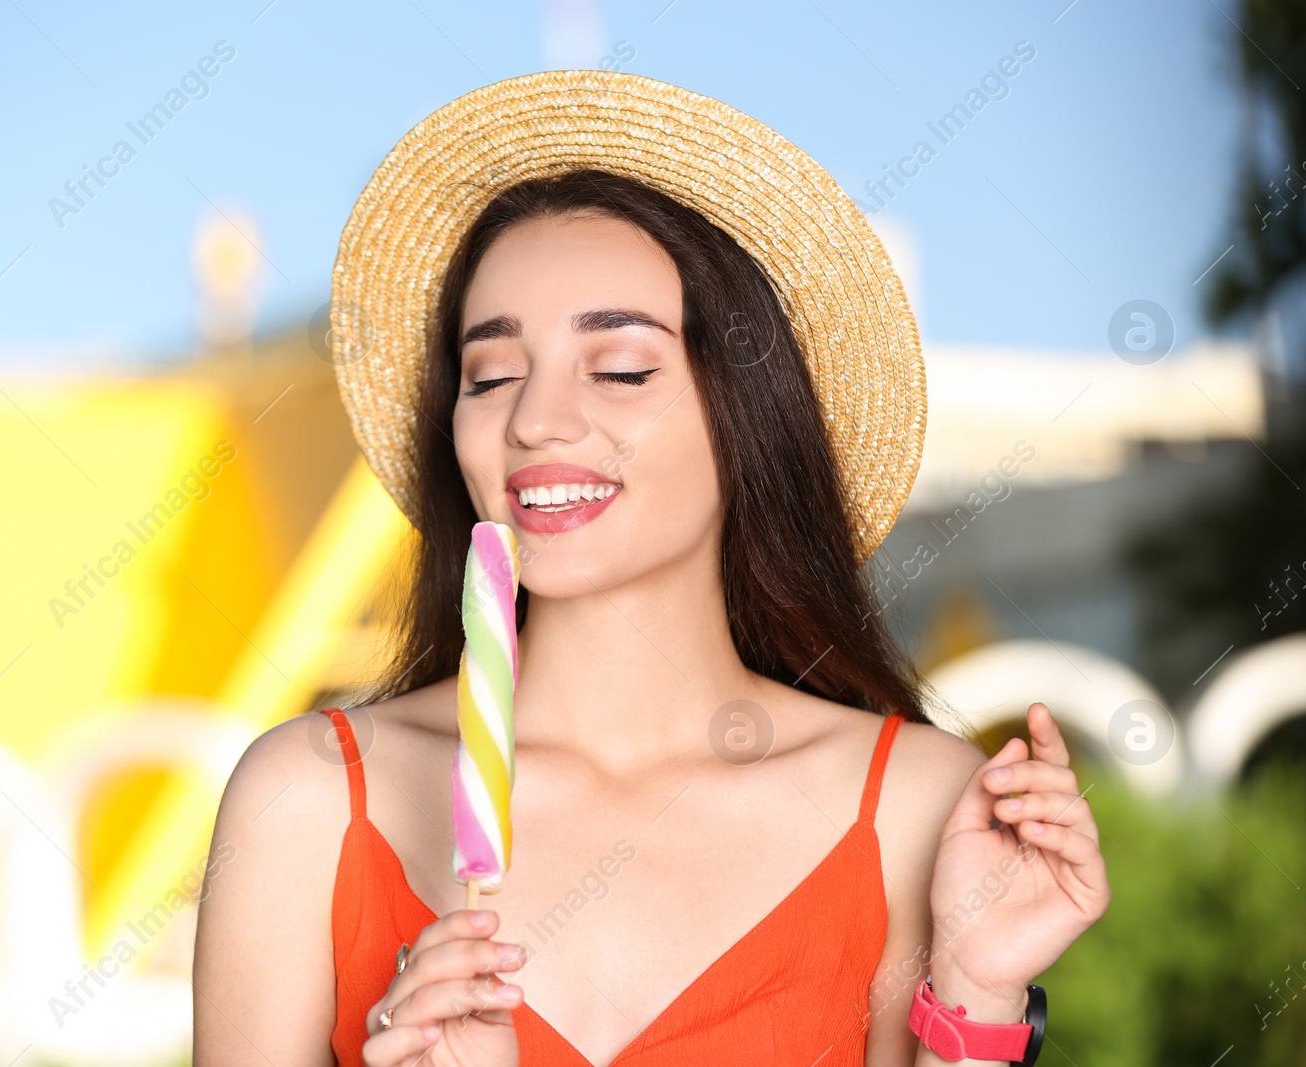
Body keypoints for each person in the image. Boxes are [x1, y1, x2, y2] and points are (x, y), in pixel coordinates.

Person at [193, 71, 1109, 1067]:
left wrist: (974, 997)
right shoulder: (308, 805)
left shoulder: (916, 807)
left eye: (621, 368)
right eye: (490, 375)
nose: (534, 419)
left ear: (744, 412)